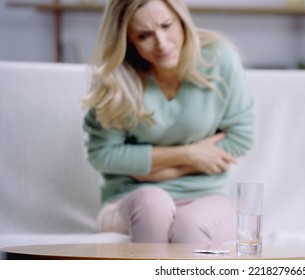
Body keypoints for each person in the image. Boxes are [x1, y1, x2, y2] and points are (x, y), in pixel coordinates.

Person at [82, 0, 256, 244]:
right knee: (152, 204)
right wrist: (189, 154)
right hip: (128, 199)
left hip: (205, 196)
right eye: (144, 36)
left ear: (181, 18)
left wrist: (155, 170)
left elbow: (241, 137)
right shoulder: (115, 78)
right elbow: (102, 154)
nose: (162, 44)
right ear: (128, 39)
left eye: (167, 25)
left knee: (191, 224)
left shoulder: (219, 58)